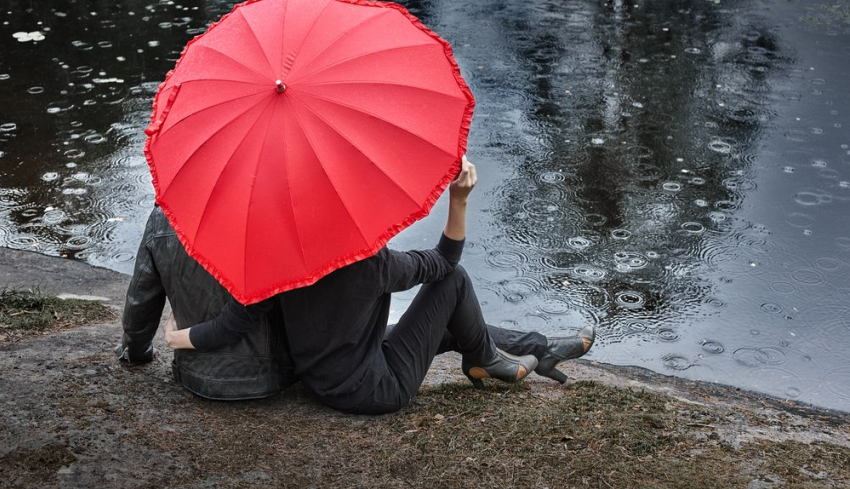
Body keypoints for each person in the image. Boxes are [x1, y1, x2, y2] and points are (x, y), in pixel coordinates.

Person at [161, 157, 595, 414]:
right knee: (455, 284)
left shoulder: (276, 260)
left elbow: (229, 325)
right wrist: (458, 199)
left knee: (449, 323)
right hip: (376, 390)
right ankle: (486, 359)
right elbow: (445, 263)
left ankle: (538, 348)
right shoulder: (369, 264)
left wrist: (175, 336)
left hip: (324, 378)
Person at [117, 206, 298, 400]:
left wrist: (136, 349)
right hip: (269, 375)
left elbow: (142, 297)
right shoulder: (271, 214)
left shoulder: (164, 216)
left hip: (192, 371)